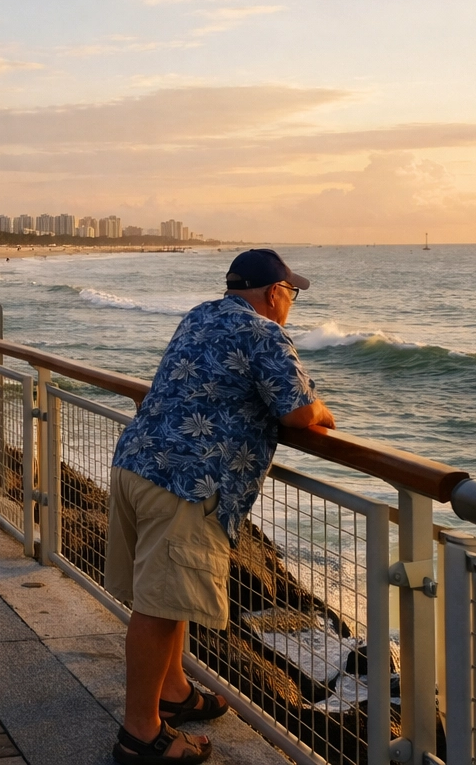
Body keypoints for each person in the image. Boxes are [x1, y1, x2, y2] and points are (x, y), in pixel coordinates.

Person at [105, 249, 335, 765]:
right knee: (160, 605)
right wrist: (322, 409)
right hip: (186, 482)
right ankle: (141, 734)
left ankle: (174, 691)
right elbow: (299, 411)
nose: (290, 304)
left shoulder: (201, 315)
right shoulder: (264, 332)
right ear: (275, 293)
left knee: (169, 596)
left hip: (137, 463)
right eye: (290, 293)